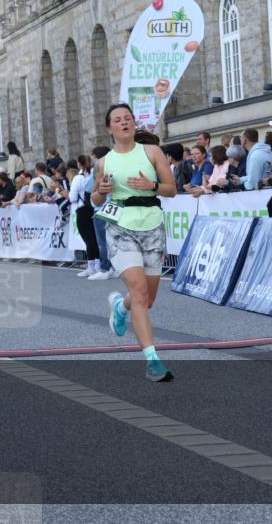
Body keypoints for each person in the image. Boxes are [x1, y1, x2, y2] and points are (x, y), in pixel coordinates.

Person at [90, 103, 176, 382]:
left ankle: (120, 307)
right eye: (118, 119)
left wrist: (150, 186)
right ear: (109, 128)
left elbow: (171, 189)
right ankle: (152, 359)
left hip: (151, 225)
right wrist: (101, 192)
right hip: (120, 227)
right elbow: (95, 198)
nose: (124, 122)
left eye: (128, 118)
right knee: (139, 291)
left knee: (146, 300)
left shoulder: (151, 152)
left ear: (134, 123)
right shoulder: (104, 162)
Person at [70, 155, 100, 277]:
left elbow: (72, 197)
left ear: (79, 164)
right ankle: (98, 265)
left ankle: (91, 266)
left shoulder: (78, 178)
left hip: (82, 210)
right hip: (93, 208)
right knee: (95, 238)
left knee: (88, 239)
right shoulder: (93, 175)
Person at [87, 146, 114, 281]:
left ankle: (106, 268)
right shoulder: (114, 165)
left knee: (103, 241)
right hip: (111, 207)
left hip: (102, 208)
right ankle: (111, 267)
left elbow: (90, 188)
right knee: (110, 241)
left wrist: (95, 183)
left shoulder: (99, 167)